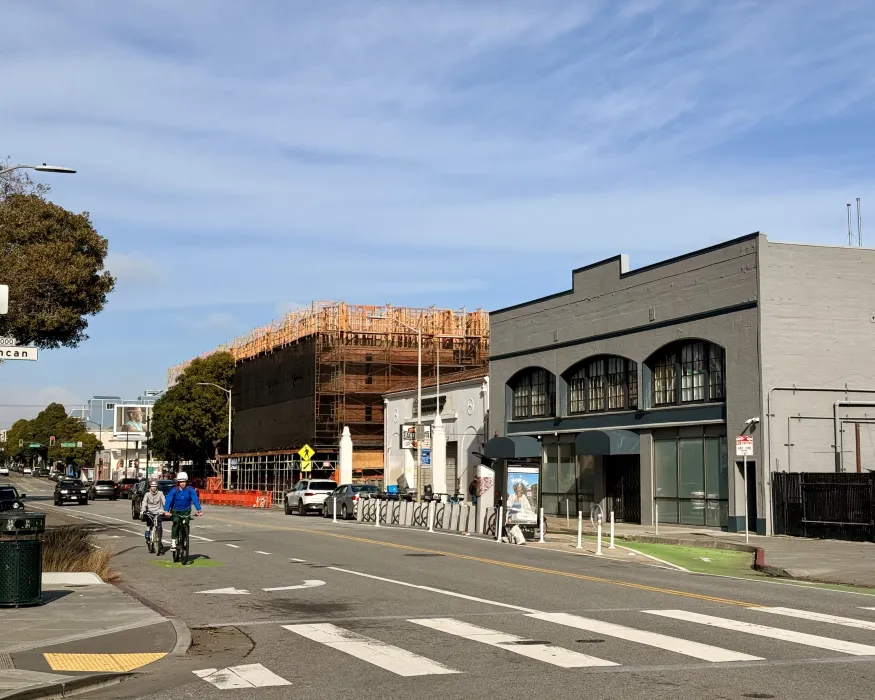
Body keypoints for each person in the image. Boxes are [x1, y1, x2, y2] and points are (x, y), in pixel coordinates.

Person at [163, 472, 203, 551]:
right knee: (176, 523)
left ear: (186, 482)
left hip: (186, 510)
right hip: (176, 510)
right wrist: (166, 511)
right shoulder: (174, 490)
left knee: (186, 523)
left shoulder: (190, 489)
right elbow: (168, 500)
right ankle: (174, 542)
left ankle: (185, 539)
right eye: (181, 482)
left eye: (184, 482)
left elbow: (195, 499)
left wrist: (199, 510)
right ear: (178, 482)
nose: (182, 483)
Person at [141, 480, 166, 551]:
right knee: (149, 526)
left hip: (159, 512)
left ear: (157, 487)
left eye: (155, 486)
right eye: (152, 486)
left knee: (159, 526)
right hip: (150, 512)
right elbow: (144, 502)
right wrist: (143, 510)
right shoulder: (147, 494)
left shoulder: (160, 493)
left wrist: (166, 509)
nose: (154, 488)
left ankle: (159, 540)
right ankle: (148, 539)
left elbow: (164, 501)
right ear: (150, 487)